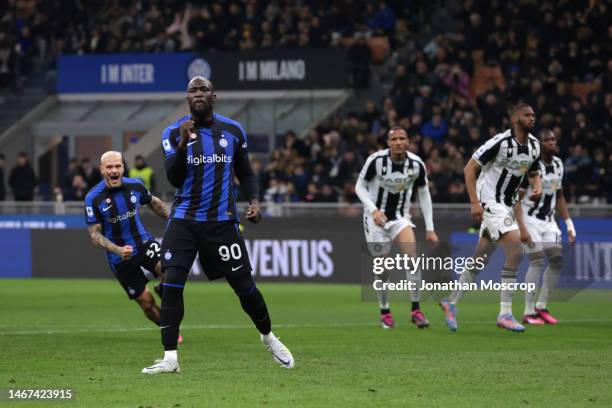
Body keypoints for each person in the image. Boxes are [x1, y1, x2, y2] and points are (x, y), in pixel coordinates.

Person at [142, 76, 294, 374]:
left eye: (203, 90)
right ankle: (170, 358)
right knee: (171, 285)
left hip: (222, 223)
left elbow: (246, 172)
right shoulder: (173, 133)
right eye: (192, 90)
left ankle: (269, 338)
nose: (198, 94)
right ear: (187, 98)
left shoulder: (233, 130)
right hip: (184, 220)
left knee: (245, 288)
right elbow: (173, 178)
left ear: (214, 96)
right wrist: (185, 142)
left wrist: (254, 200)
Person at [439, 102, 542, 332]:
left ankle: (451, 301)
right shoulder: (500, 142)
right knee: (515, 250)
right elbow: (469, 169)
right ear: (515, 118)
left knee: (479, 259)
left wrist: (537, 187)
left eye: (534, 115)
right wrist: (475, 203)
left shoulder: (535, 146)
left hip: (507, 206)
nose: (532, 118)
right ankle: (505, 313)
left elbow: (534, 174)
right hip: (491, 203)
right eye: (527, 115)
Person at [355, 126, 439, 329]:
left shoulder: (416, 164)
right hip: (376, 220)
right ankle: (385, 310)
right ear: (388, 143)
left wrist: (430, 228)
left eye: (403, 138)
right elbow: (359, 187)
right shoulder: (376, 161)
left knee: (413, 259)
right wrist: (374, 210)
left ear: (408, 141)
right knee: (383, 269)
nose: (399, 142)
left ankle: (416, 310)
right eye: (395, 139)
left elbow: (424, 194)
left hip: (401, 218)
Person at [84, 151, 176, 337]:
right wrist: (117, 250)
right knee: (148, 304)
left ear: (123, 168)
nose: (114, 170)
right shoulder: (93, 198)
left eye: (117, 166)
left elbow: (154, 203)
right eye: (109, 167)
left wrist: (174, 221)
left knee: (170, 268)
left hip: (143, 243)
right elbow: (94, 235)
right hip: (120, 258)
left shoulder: (135, 185)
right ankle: (166, 328)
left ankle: (163, 291)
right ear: (102, 170)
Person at [515, 129, 576, 325]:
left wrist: (569, 224)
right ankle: (528, 311)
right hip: (530, 219)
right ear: (539, 144)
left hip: (549, 221)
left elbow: (559, 196)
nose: (551, 142)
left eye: (553, 139)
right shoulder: (531, 166)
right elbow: (517, 199)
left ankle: (541, 307)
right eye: (547, 140)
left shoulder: (558, 164)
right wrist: (521, 227)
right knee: (537, 261)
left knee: (557, 261)